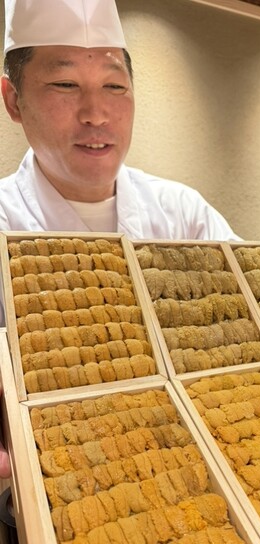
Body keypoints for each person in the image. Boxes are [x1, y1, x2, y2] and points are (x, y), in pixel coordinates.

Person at [0, 0, 241, 477]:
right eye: (65, 84)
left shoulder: (184, 215)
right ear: (13, 100)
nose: (96, 114)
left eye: (114, 86)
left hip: (196, 469)